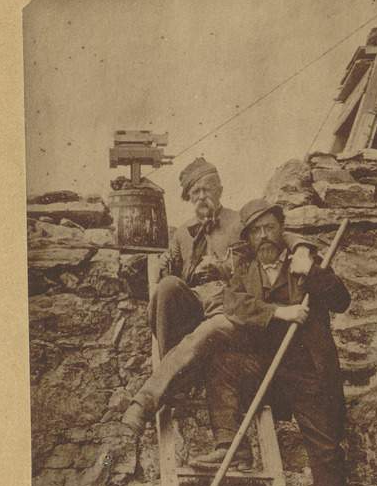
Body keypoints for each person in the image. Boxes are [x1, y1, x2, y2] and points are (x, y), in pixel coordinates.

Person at [196, 198, 351, 486]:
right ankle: (229, 441)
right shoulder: (244, 268)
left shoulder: (305, 265)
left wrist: (312, 270)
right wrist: (277, 312)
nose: (264, 236)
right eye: (256, 231)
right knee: (221, 363)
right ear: (248, 238)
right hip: (264, 369)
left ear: (282, 230)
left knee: (326, 448)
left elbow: (342, 301)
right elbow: (233, 304)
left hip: (306, 371)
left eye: (270, 227)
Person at [122, 158, 313, 443]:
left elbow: (278, 235)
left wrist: (301, 249)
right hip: (196, 310)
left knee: (213, 325)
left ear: (220, 190)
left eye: (207, 189)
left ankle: (148, 399)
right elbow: (170, 273)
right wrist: (162, 265)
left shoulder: (239, 222)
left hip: (233, 309)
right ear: (188, 197)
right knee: (167, 286)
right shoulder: (182, 234)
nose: (202, 197)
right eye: (195, 192)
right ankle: (178, 376)